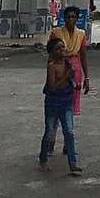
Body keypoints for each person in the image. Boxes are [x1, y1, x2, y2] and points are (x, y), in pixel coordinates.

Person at [39, 36, 83, 175]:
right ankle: (43, 158)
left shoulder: (67, 63)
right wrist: (66, 76)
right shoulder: (52, 67)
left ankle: (72, 163)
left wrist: (73, 83)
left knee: (69, 132)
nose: (62, 50)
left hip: (66, 101)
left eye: (63, 47)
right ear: (52, 52)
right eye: (58, 48)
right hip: (53, 103)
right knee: (50, 132)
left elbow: (70, 80)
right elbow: (52, 87)